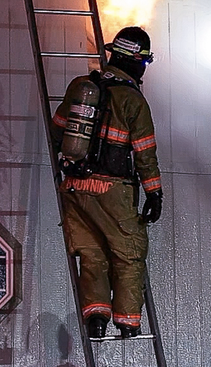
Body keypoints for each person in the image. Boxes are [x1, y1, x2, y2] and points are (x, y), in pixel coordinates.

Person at [51, 26, 163, 339]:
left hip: (74, 187)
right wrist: (155, 195)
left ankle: (96, 319)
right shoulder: (133, 102)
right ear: (138, 61)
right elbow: (145, 155)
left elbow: (58, 130)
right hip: (112, 190)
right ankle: (127, 321)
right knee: (128, 253)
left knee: (91, 255)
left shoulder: (82, 87)